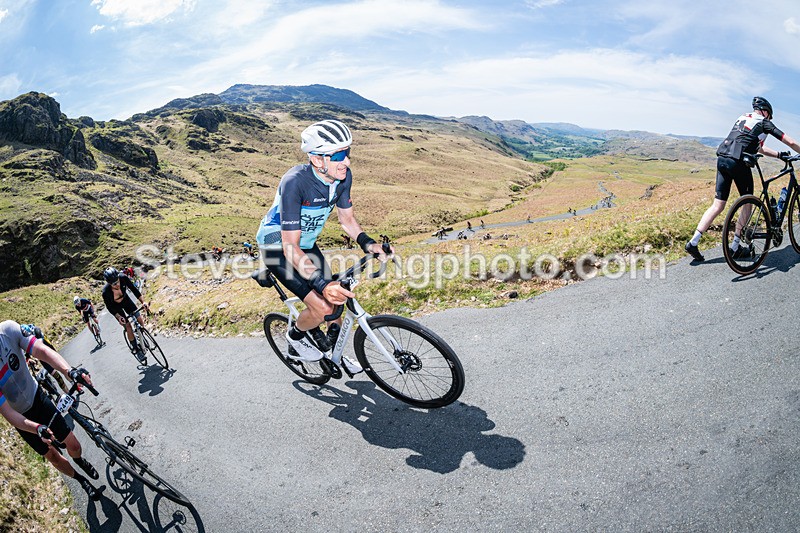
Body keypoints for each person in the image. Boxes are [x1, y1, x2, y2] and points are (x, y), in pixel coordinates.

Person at [255, 119, 393, 374]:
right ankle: (295, 338)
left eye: (348, 153)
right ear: (318, 160)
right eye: (339, 155)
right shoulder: (295, 182)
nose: (347, 161)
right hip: (278, 248)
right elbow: (290, 247)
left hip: (305, 245)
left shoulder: (342, 177)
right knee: (322, 306)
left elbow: (347, 220)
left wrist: (368, 243)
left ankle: (334, 354)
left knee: (337, 302)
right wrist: (321, 284)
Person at [685, 96, 800, 261]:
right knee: (747, 203)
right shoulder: (764, 122)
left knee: (718, 205)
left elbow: (758, 147)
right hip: (738, 161)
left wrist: (779, 155)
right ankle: (735, 246)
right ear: (766, 112)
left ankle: (693, 242)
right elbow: (790, 141)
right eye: (770, 115)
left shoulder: (743, 117)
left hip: (723, 157)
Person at [0, 319, 104, 500]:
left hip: (37, 398)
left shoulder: (7, 330)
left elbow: (41, 350)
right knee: (53, 456)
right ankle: (81, 481)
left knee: (74, 445)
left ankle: (79, 460)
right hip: (21, 418)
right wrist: (36, 428)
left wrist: (69, 371)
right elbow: (6, 411)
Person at [101, 267, 149, 363]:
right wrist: (118, 317)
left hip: (126, 301)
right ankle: (135, 349)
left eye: (117, 281)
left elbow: (134, 290)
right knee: (128, 326)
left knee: (139, 318)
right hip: (116, 307)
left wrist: (143, 302)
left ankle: (141, 337)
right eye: (114, 284)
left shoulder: (123, 277)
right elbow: (110, 307)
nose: (117, 284)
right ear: (109, 283)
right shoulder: (105, 292)